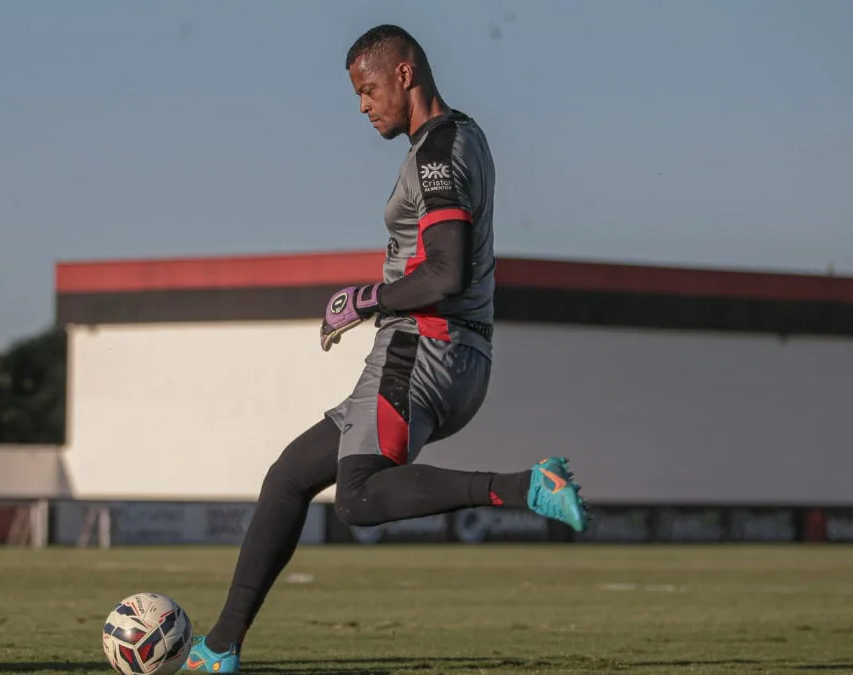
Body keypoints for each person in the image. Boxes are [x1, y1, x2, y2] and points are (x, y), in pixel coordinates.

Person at [183, 24, 590, 673]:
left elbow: (444, 272)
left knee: (359, 497)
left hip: (421, 347)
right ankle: (220, 646)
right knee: (289, 476)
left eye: (367, 89)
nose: (363, 106)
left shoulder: (437, 152)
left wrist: (364, 299)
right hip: (457, 355)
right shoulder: (468, 136)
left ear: (404, 74)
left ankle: (526, 487)